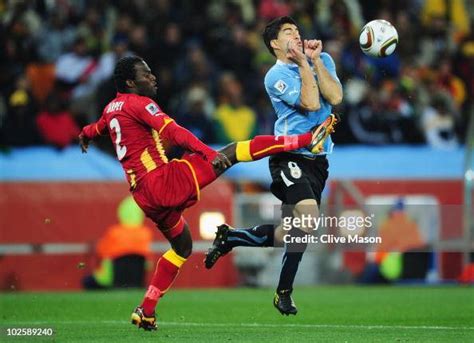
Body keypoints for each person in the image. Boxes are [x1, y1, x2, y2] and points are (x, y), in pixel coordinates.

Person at [78, 55, 336, 330]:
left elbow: (98, 128)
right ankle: (307, 138)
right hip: (162, 182)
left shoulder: (111, 109)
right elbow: (175, 132)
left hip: (144, 197)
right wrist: (208, 153)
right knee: (235, 150)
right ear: (130, 82)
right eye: (145, 74)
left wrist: (85, 133)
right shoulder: (140, 104)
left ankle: (147, 310)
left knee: (183, 246)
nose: (152, 77)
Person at [205, 16, 343, 316]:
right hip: (288, 157)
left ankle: (232, 237)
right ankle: (284, 292)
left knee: (290, 233)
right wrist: (306, 65)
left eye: (297, 30)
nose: (296, 35)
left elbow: (335, 96)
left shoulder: (323, 59)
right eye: (288, 32)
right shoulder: (275, 76)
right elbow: (311, 104)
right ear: (275, 44)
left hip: (318, 162)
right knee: (308, 218)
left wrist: (317, 62)